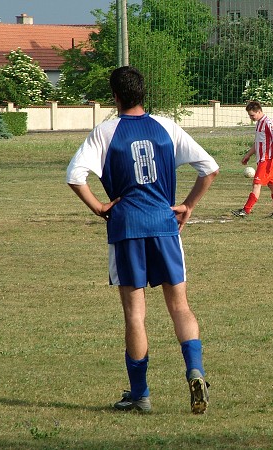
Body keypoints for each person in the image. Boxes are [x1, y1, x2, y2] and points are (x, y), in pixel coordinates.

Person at [66, 66, 219, 414]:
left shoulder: (105, 132)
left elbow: (75, 176)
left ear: (115, 97)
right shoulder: (166, 127)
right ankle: (195, 370)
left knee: (135, 315)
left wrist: (99, 207)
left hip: (126, 229)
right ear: (143, 93)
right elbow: (209, 168)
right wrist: (189, 206)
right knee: (179, 305)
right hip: (165, 225)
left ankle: (140, 395)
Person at [232, 100, 273, 217]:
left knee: (256, 184)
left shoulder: (269, 123)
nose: (251, 118)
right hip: (262, 159)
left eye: (252, 115)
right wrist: (248, 155)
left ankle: (245, 210)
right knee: (272, 184)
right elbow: (257, 143)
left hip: (267, 160)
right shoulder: (259, 123)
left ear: (259, 111)